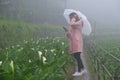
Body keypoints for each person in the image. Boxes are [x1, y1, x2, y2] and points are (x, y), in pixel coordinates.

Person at [65, 12, 86, 76]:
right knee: (76, 56)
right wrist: (67, 32)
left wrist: (73, 18)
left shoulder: (79, 22)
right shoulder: (74, 24)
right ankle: (83, 69)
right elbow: (70, 36)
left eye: (71, 17)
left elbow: (72, 24)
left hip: (77, 42)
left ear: (75, 16)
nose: (71, 19)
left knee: (77, 56)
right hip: (73, 42)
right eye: (70, 18)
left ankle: (79, 71)